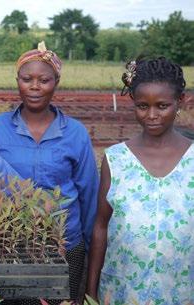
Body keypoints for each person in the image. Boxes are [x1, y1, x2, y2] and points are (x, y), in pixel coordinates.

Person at [0, 42, 99, 302]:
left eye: (44, 80)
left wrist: (90, 247)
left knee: (59, 299)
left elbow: (89, 193)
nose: (35, 86)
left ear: (56, 81)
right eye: (27, 79)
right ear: (17, 81)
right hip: (9, 242)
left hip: (66, 243)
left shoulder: (75, 133)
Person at [86, 57, 194, 304]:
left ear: (181, 101)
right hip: (123, 290)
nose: (152, 115)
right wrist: (91, 292)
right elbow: (101, 227)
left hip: (181, 291)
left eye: (163, 106)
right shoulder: (116, 160)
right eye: (143, 106)